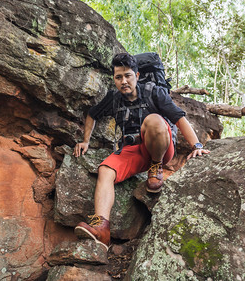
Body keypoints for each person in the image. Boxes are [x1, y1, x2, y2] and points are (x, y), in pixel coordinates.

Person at [73, 52, 210, 251]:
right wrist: (85, 141)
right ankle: (101, 229)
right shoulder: (113, 98)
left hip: (161, 149)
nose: (123, 81)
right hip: (132, 151)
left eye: (128, 75)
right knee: (105, 170)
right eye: (118, 77)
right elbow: (92, 114)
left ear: (137, 76)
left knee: (153, 120)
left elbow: (180, 118)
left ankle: (155, 167)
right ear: (114, 79)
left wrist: (197, 146)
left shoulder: (153, 92)